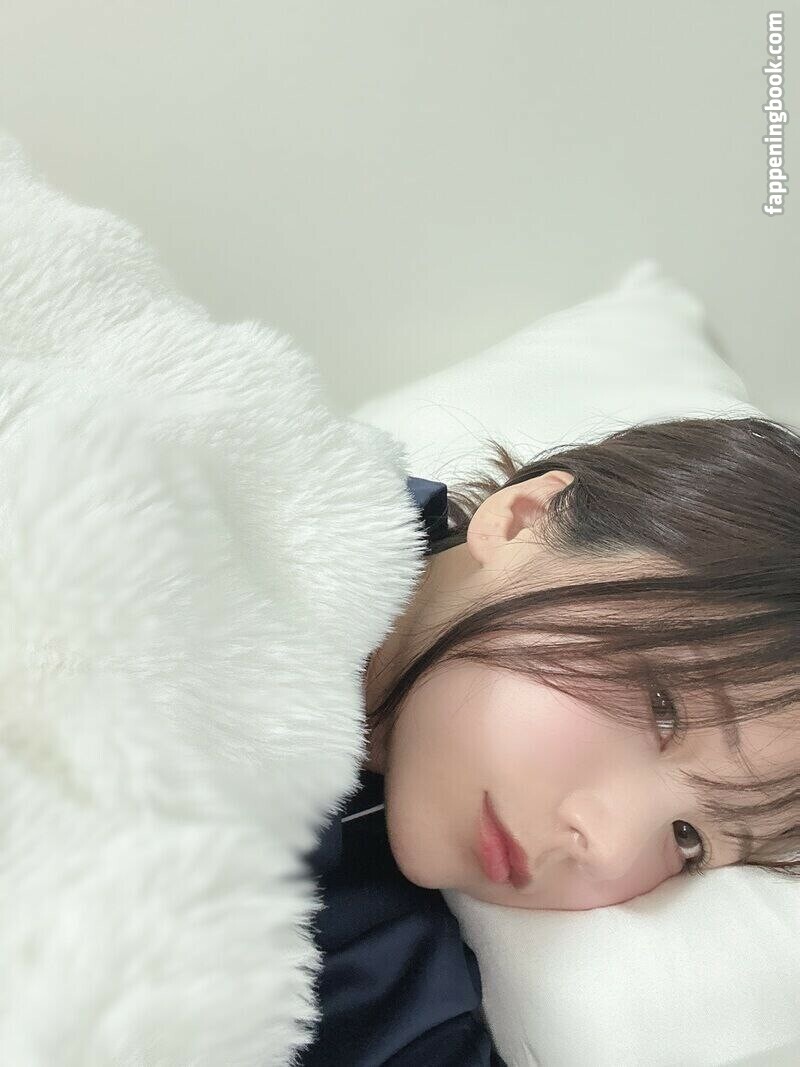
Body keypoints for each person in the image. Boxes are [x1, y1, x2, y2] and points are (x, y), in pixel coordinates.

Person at [300, 415, 800, 1062]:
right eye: (662, 710)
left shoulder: (404, 986)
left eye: (688, 839)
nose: (611, 849)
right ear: (524, 519)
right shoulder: (214, 516)